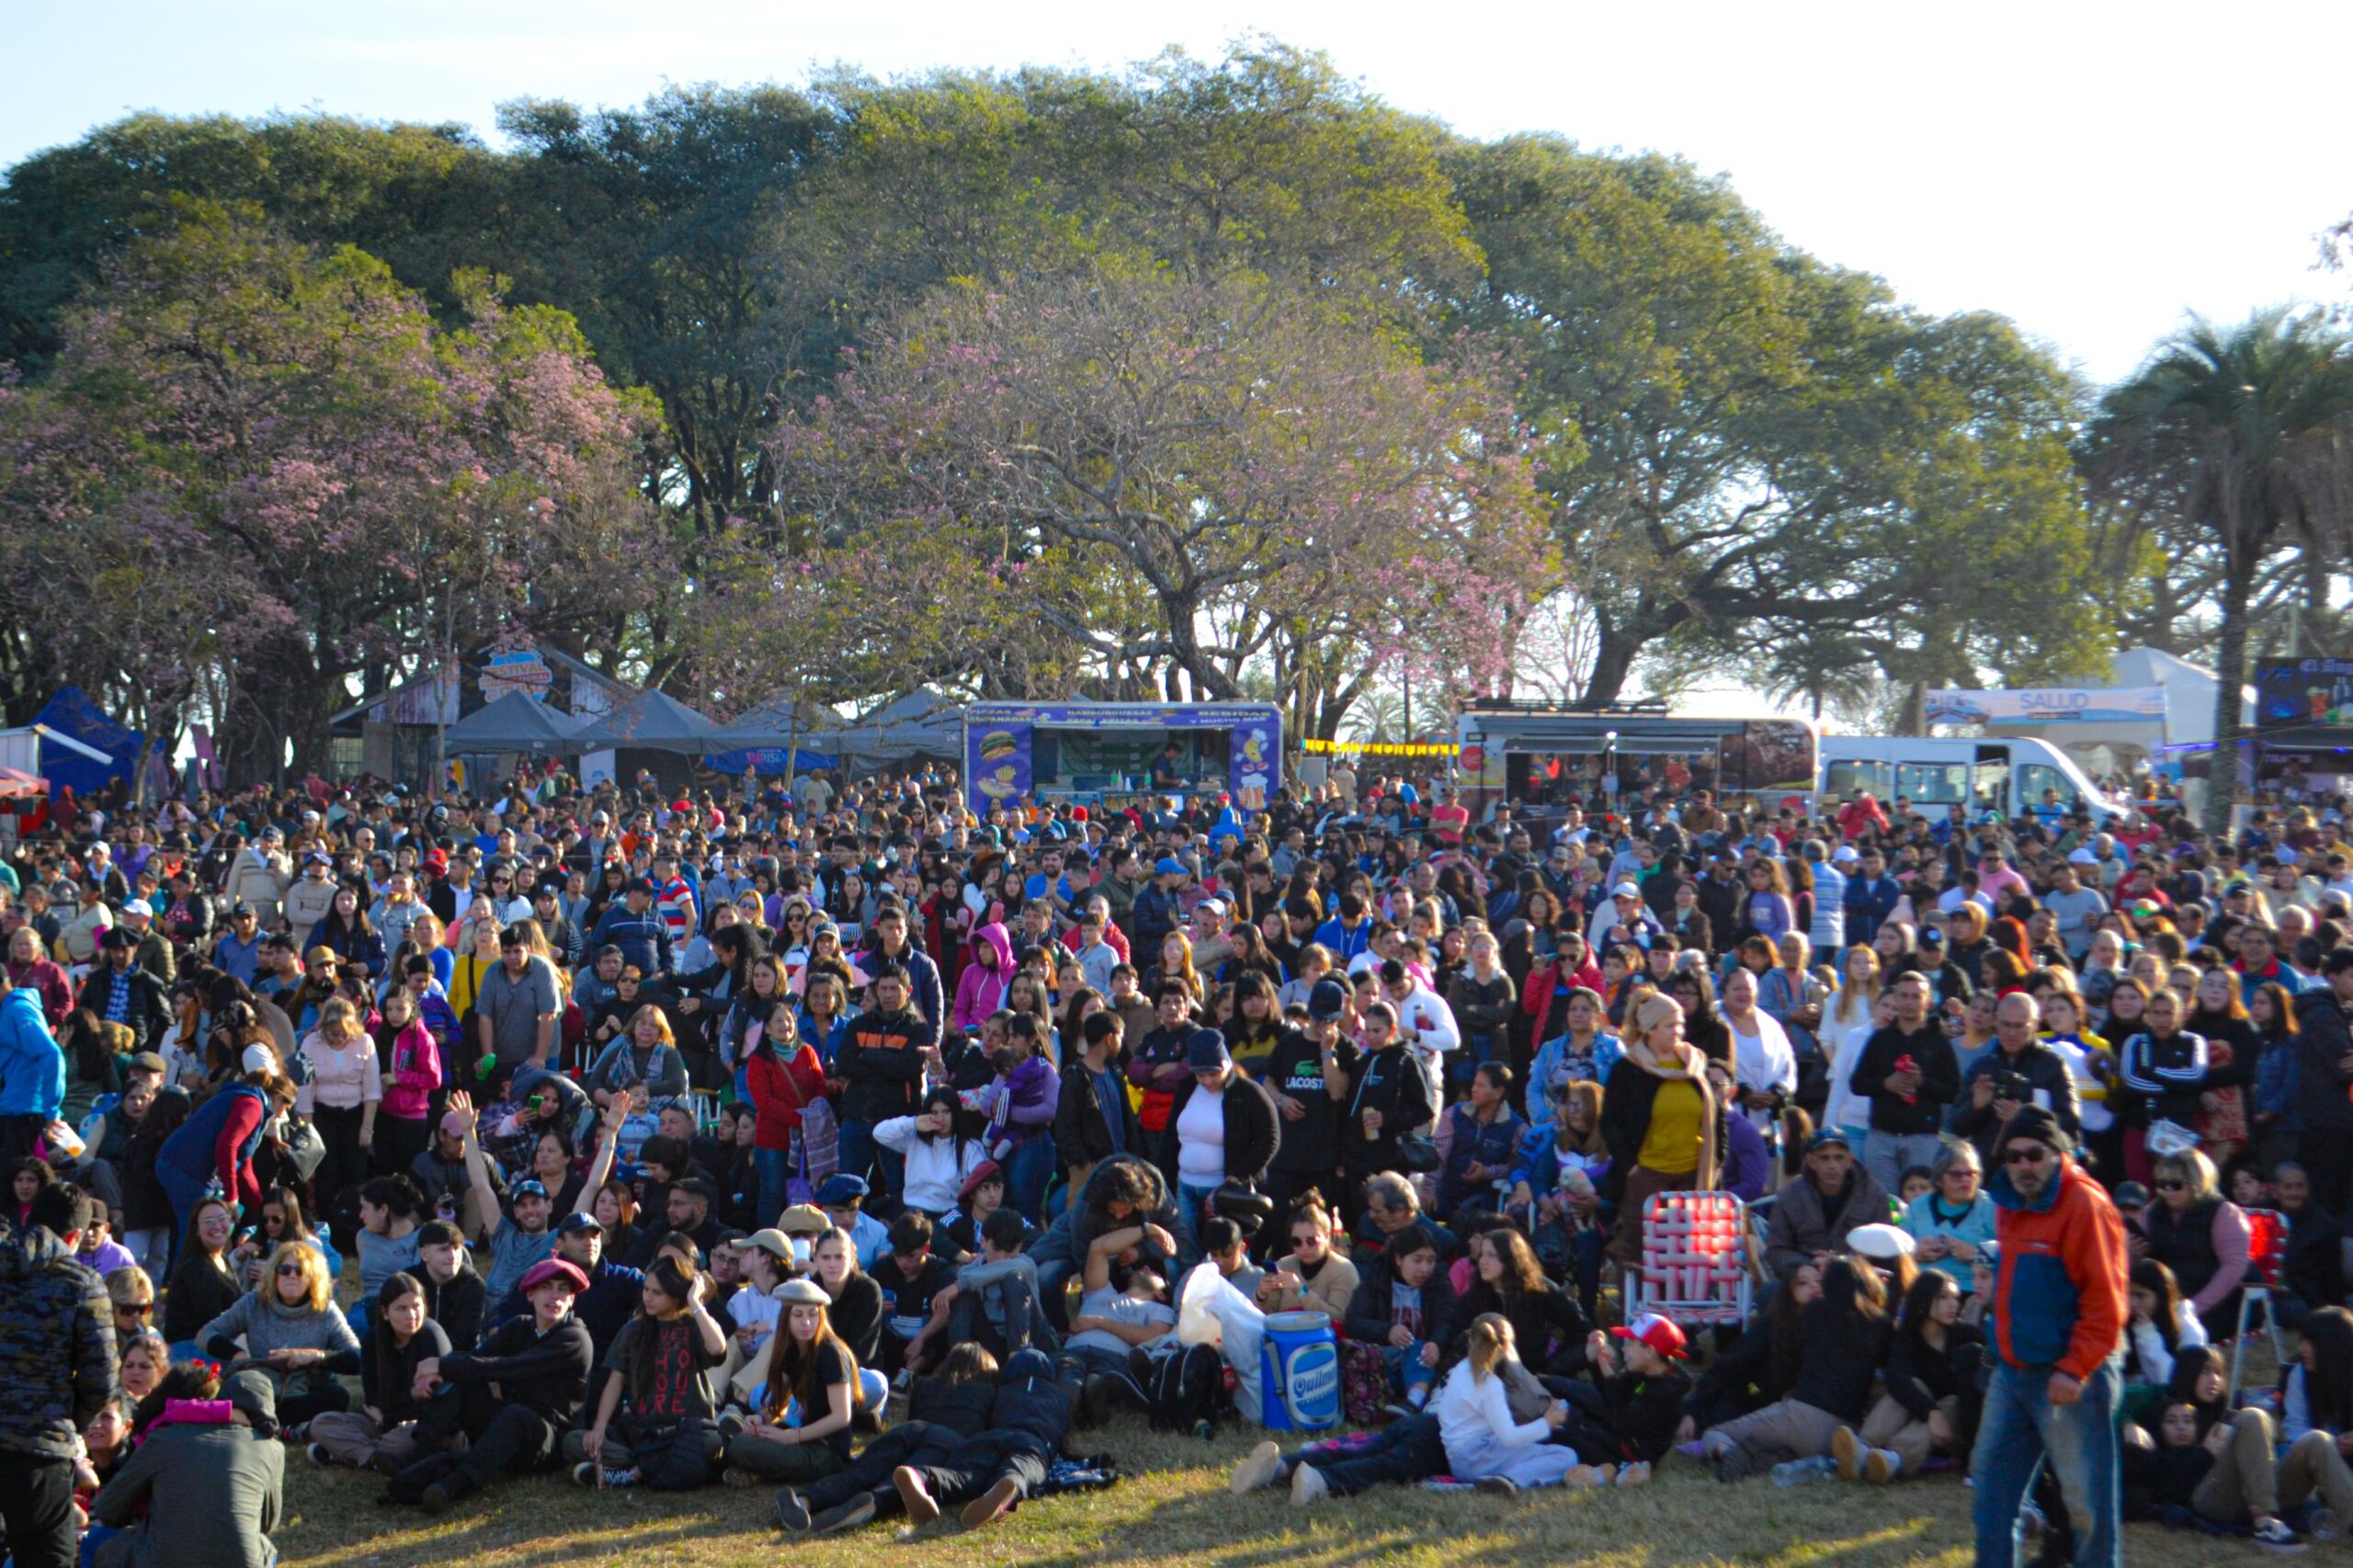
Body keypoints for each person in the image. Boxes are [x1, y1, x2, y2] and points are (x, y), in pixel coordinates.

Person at [1972, 1105, 2129, 1568]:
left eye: (2034, 1155)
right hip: (2014, 1371)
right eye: (2014, 1157)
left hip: (2069, 1378)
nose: (2023, 1166)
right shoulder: (2006, 1201)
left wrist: (2073, 1368)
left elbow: (2106, 1301)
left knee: (2088, 1507)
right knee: (1990, 1490)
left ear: (2058, 1153)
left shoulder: (2085, 1204)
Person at [392, 1256, 596, 1513]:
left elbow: (512, 1368)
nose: (554, 1296)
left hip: (548, 1441)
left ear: (572, 1299)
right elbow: (478, 1358)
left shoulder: (575, 1338)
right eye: (546, 1287)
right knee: (463, 1385)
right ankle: (418, 1461)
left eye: (563, 1289)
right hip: (505, 1427)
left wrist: (442, 1365)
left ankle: (453, 1486)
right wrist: (439, 1373)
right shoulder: (520, 1326)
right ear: (531, 1294)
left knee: (515, 1414)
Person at [0, 1182, 117, 1568]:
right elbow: (100, 1381)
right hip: (39, 1448)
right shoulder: (81, 1284)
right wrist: (72, 1421)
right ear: (74, 1235)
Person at [1700, 1257, 1892, 1482]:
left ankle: (1734, 1455)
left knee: (1715, 1434)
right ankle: (1777, 1457)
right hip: (1846, 1431)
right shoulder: (1882, 1324)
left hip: (1801, 1416)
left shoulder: (1814, 1312)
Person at [86, 1365, 285, 1568]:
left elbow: (108, 1509)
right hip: (242, 1562)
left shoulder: (165, 1436)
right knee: (266, 1548)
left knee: (95, 1541)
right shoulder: (273, 1450)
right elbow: (267, 1522)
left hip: (162, 1560)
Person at [565, 1256, 729, 1486]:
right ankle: (641, 1467)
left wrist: (695, 1302)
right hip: (643, 1432)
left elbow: (718, 1347)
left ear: (675, 1293)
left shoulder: (693, 1325)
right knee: (574, 1441)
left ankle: (631, 1472)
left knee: (714, 1444)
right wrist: (599, 1429)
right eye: (646, 1290)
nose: (648, 1298)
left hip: (687, 1430)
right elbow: (615, 1381)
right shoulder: (634, 1329)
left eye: (657, 1293)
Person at [1599, 993, 1720, 1265]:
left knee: (1685, 1253)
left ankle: (1682, 1307)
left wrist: (1717, 1159)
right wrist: (1631, 1165)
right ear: (1650, 1029)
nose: (1678, 1031)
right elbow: (1610, 1123)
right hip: (1647, 1174)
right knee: (1637, 1250)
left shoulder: (1695, 1065)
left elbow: (1717, 1116)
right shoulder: (1628, 1069)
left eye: (1680, 1024)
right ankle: (1636, 1306)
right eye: (1670, 1025)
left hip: (1691, 1174)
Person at [1834, 1268, 1984, 1483]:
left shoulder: (1967, 1336)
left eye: (1955, 1297)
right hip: (1924, 1423)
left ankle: (1894, 1459)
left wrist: (1935, 1413)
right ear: (1923, 1300)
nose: (1954, 1304)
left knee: (1951, 1402)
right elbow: (1896, 1378)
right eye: (1943, 1297)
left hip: (1954, 1430)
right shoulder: (1907, 1338)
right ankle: (1862, 1449)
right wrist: (1930, 1412)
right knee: (1910, 1386)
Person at [195, 1239, 362, 1428]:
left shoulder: (326, 1311)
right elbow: (206, 1334)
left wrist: (315, 1357)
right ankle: (283, 1425)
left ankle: (266, 1422)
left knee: (337, 1396)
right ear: (274, 1274)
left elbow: (357, 1357)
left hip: (305, 1391)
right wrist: (237, 1355)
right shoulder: (253, 1303)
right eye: (285, 1270)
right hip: (260, 1388)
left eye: (300, 1271)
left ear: (313, 1278)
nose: (291, 1276)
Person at [721, 1277, 862, 1487]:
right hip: (803, 1440)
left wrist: (793, 1436)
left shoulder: (832, 1354)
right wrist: (760, 1420)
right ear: (786, 1317)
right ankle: (757, 1471)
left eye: (813, 1315)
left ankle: (756, 1471)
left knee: (739, 1448)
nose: (806, 1322)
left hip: (826, 1453)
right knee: (738, 1440)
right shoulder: (791, 1349)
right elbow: (780, 1400)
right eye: (798, 1315)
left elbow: (841, 1417)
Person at [307, 1270, 451, 1471]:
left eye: (416, 1307)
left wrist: (389, 1416)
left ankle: (344, 1454)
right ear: (385, 1313)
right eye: (401, 1309)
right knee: (322, 1423)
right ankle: (375, 1458)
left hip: (418, 1424)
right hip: (381, 1421)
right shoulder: (373, 1341)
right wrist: (399, 1405)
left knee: (406, 1440)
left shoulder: (431, 1336)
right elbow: (374, 1399)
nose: (411, 1315)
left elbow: (439, 1402)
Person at [1433, 1312, 1589, 1494]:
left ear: (1470, 1340)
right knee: (1567, 1456)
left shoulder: (1459, 1370)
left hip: (1459, 1458)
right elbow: (1510, 1438)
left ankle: (1497, 1479)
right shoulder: (1489, 1383)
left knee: (1542, 1441)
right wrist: (1549, 1422)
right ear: (1507, 1347)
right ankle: (1508, 1480)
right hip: (1476, 1457)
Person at [1157, 1027, 1280, 1237]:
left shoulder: (1249, 1092)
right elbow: (1171, 1137)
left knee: (1225, 1245)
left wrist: (1239, 1174)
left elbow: (1270, 1138)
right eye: (1200, 1075)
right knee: (1186, 1246)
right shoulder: (1187, 1088)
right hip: (1185, 1185)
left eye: (1213, 1073)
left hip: (1224, 1191)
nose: (1207, 1081)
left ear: (1227, 1065)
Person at [1852, 971, 1961, 1197]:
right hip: (1882, 1136)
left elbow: (1952, 1091)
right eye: (1904, 996)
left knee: (1920, 1204)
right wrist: (1885, 1084)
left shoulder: (1939, 1042)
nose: (1909, 1002)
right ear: (1896, 998)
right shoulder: (1880, 1039)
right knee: (1884, 1205)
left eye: (1916, 996)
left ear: (1928, 1001)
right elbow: (1857, 1083)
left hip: (1922, 1137)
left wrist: (1922, 1082)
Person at [2134, 1146, 2253, 1344]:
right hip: (2163, 1303)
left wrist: (2193, 1307)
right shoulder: (2152, 1213)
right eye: (2162, 1184)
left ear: (2198, 1182)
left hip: (2216, 1305)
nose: (2167, 1191)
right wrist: (2133, 1254)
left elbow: (2234, 1267)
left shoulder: (2223, 1213)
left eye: (2176, 1184)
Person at [1764, 1129, 1895, 1282]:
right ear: (1811, 1161)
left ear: (1849, 1160)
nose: (1832, 1165)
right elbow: (1776, 1250)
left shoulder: (1873, 1192)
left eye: (1838, 1158)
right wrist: (1808, 1264)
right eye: (1824, 1158)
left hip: (1859, 1274)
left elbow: (1887, 1246)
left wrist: (1848, 1261)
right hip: (1807, 1274)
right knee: (1767, 1294)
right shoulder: (1790, 1195)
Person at [1899, 1141, 1995, 1291]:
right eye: (1956, 1175)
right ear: (1939, 1179)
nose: (1965, 1179)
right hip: (1925, 1289)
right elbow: (1899, 1253)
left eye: (1971, 1174)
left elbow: (2009, 1255)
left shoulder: (1990, 1207)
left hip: (1972, 1292)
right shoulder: (1918, 1206)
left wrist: (1976, 1254)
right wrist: (1916, 1253)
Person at [0, 982, 66, 1164]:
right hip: (10, 1108)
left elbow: (51, 1055)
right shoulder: (8, 1010)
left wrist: (52, 1111)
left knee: (17, 1178)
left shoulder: (19, 1010)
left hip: (22, 1111)